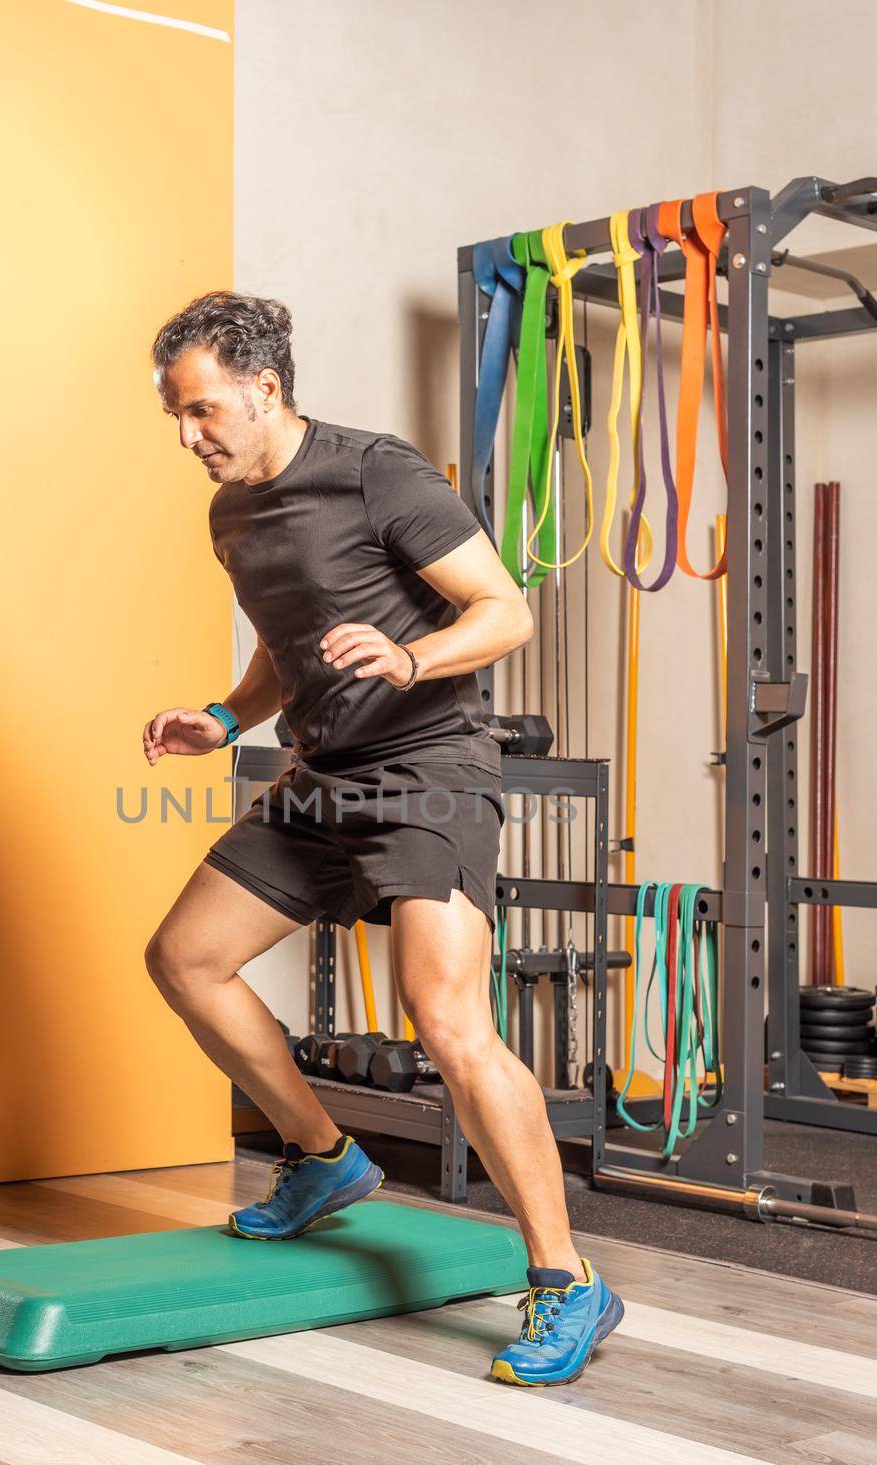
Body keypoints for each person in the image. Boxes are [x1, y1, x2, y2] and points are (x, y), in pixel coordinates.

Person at [142, 290, 622, 1387]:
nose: (187, 435)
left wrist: (410, 659)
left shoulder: (377, 471)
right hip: (324, 773)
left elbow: (505, 611)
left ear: (266, 389)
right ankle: (323, 1159)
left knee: (446, 1019)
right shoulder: (229, 512)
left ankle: (567, 1281)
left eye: (203, 410)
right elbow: (287, 647)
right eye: (174, 415)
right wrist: (222, 717)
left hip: (429, 771)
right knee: (186, 960)